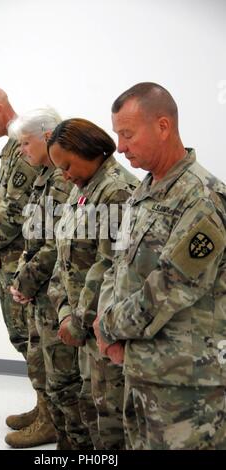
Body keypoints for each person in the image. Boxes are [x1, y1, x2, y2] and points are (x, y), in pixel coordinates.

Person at [94, 82, 226, 450]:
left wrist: (107, 327)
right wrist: (111, 328)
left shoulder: (202, 198)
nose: (120, 148)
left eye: (127, 135)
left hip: (187, 388)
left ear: (163, 126)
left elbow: (169, 287)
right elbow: (117, 264)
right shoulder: (145, 190)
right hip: (144, 370)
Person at [0, 86, 55, 446]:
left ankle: (52, 417)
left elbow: (15, 209)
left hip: (23, 260)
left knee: (33, 339)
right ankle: (44, 406)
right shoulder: (13, 147)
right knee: (25, 338)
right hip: (11, 257)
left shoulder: (24, 147)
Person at [47, 118, 139, 449]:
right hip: (82, 326)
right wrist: (63, 311)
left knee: (112, 422)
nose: (64, 174)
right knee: (91, 410)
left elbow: (109, 265)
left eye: (67, 165)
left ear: (87, 150)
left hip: (103, 327)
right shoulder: (82, 188)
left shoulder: (115, 191)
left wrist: (79, 318)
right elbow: (64, 257)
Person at [6, 108, 92, 450]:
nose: (22, 151)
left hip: (53, 291)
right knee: (43, 365)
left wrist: (24, 282)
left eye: (25, 143)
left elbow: (55, 244)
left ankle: (59, 430)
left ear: (46, 137)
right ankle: (48, 418)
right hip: (42, 288)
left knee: (61, 374)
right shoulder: (45, 176)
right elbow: (36, 234)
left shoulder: (61, 178)